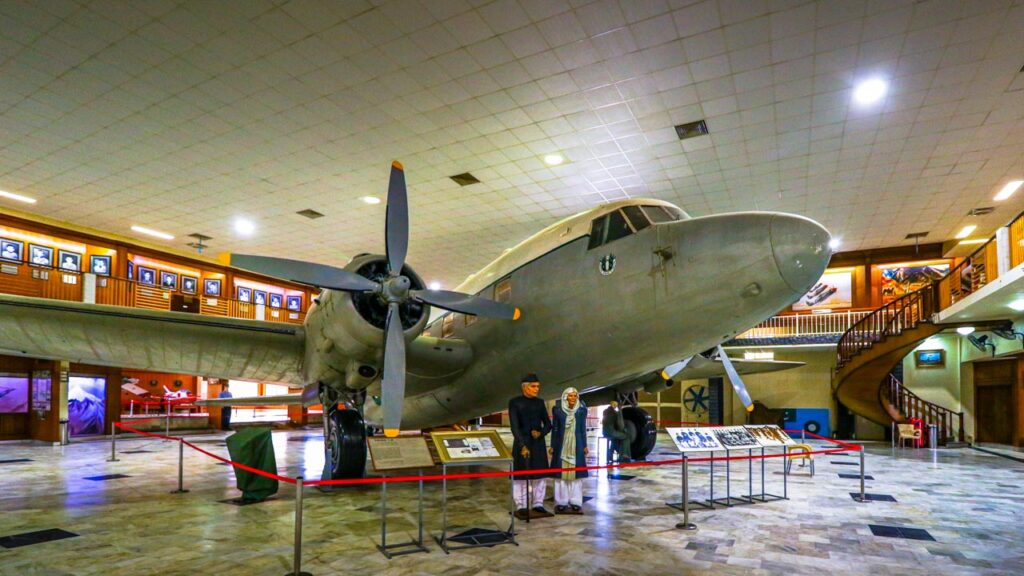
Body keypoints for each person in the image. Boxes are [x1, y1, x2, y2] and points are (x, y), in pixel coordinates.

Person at [508, 373, 552, 519]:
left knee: (540, 475)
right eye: (533, 386)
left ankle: (538, 503)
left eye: (538, 387)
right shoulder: (515, 403)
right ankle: (521, 505)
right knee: (520, 476)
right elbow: (515, 427)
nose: (536, 389)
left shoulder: (540, 403)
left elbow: (548, 424)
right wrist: (522, 445)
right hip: (522, 443)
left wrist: (540, 433)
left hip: (538, 444)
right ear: (525, 387)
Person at [549, 387, 588, 514]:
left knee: (576, 476)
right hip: (562, 445)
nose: (573, 398)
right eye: (570, 396)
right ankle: (561, 502)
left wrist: (585, 445)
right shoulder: (558, 411)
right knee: (561, 476)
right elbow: (555, 429)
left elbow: (582, 429)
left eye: (575, 396)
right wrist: (552, 445)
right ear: (565, 397)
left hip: (577, 445)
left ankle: (576, 502)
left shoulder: (581, 411)